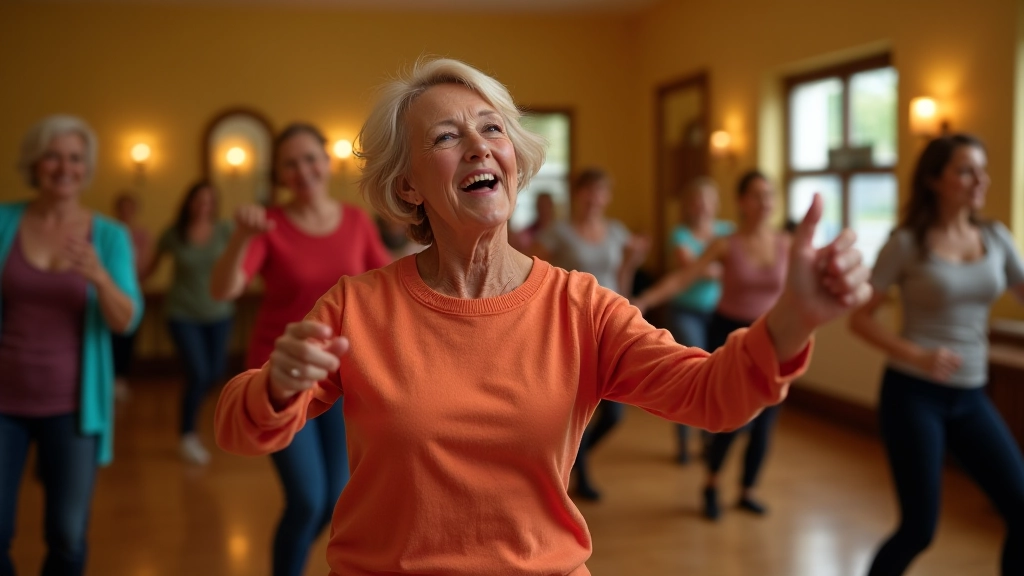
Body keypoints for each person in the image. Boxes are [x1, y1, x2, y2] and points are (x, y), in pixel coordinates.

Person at [213, 58, 871, 575]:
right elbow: (238, 430)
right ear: (408, 185)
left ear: (514, 159)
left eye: (491, 128)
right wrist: (277, 386)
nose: (478, 146)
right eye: (446, 137)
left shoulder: (580, 307)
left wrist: (794, 319)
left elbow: (710, 395)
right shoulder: (358, 305)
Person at [210, 123, 391, 576]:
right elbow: (223, 290)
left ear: (327, 163)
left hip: (340, 375)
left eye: (310, 158)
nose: (303, 170)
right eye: (290, 164)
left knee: (333, 499)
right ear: (280, 175)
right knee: (307, 499)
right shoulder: (269, 226)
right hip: (282, 376)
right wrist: (241, 237)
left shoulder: (356, 221)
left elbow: (387, 285)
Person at [849, 134, 1024, 576]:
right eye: (965, 170)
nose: (980, 180)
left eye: (982, 169)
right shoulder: (907, 243)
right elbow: (860, 320)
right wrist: (918, 355)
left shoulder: (996, 237)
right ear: (933, 179)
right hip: (913, 394)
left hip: (971, 396)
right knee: (918, 529)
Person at [0, 115, 143, 576]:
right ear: (34, 164)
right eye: (53, 157)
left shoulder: (109, 235)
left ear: (87, 167)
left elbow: (126, 320)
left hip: (73, 406)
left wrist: (99, 276)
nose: (65, 168)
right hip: (4, 401)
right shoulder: (4, 221)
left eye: (75, 158)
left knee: (66, 533)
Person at [634, 170, 790, 520]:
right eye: (757, 195)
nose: (765, 202)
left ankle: (748, 489)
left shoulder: (786, 244)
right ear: (742, 202)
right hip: (732, 334)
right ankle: (712, 483)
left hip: (772, 339)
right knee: (735, 417)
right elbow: (683, 278)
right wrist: (645, 299)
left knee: (766, 421)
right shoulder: (726, 244)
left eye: (770, 195)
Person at [531, 167, 650, 501]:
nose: (594, 198)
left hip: (609, 326)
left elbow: (622, 278)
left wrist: (632, 267)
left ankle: (574, 462)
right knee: (576, 410)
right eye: (589, 190)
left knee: (613, 413)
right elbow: (533, 274)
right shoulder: (557, 232)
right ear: (577, 193)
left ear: (607, 197)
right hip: (570, 326)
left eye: (601, 191)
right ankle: (579, 473)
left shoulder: (616, 231)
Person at [145, 181, 235, 465]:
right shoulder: (174, 234)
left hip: (219, 314)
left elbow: (242, 262)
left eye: (209, 201)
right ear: (189, 202)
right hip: (182, 314)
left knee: (215, 373)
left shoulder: (225, 231)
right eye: (198, 200)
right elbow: (148, 269)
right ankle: (187, 435)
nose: (203, 206)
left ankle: (195, 421)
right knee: (198, 373)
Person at [666, 176, 734, 463]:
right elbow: (693, 268)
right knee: (692, 372)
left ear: (715, 203)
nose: (702, 206)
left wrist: (714, 267)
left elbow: (737, 266)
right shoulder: (680, 234)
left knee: (716, 375)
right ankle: (684, 440)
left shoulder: (728, 231)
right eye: (696, 200)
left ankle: (708, 437)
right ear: (688, 205)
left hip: (720, 314)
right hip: (686, 313)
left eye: (707, 200)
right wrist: (719, 267)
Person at [111, 191, 152, 402]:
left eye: (130, 208)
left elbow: (143, 268)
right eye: (123, 207)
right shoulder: (107, 233)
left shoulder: (141, 236)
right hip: (109, 294)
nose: (126, 212)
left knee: (128, 340)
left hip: (133, 295)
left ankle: (121, 379)